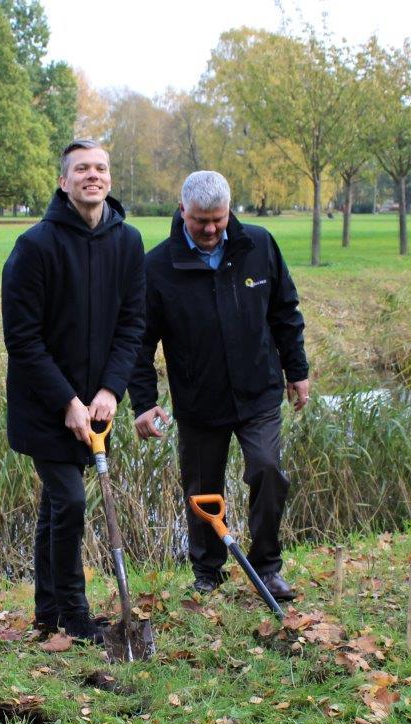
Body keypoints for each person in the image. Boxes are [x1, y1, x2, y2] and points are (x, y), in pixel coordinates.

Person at [129, 170, 309, 600]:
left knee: (267, 469)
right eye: (200, 220)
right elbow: (139, 343)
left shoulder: (259, 245)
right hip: (198, 402)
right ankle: (208, 572)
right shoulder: (157, 267)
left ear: (230, 211)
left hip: (258, 391)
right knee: (202, 489)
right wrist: (144, 403)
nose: (210, 229)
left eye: (219, 219)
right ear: (182, 211)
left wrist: (296, 371)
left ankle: (267, 567)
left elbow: (285, 311)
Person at [1, 138, 146, 643]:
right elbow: (22, 338)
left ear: (110, 178)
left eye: (101, 168)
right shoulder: (35, 246)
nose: (93, 175)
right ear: (64, 181)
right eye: (82, 168)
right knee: (70, 500)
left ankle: (47, 610)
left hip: (97, 405)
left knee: (56, 506)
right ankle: (74, 611)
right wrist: (67, 401)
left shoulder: (128, 243)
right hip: (44, 406)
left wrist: (111, 390)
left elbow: (133, 324)